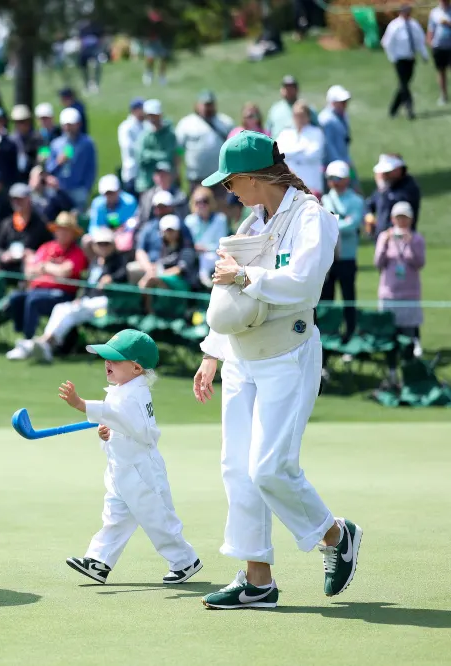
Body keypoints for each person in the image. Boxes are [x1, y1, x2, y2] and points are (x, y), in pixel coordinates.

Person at [193, 130, 361, 609]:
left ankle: (335, 535)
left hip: (288, 355)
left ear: (252, 177)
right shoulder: (250, 224)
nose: (228, 192)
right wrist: (212, 352)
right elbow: (232, 303)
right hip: (241, 359)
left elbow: (305, 285)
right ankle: (257, 581)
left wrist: (244, 276)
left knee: (269, 468)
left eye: (230, 183)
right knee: (237, 470)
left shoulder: (313, 217)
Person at [59, 330, 203, 585]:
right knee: (114, 516)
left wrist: (82, 405)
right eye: (106, 357)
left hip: (141, 471)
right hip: (122, 468)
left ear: (136, 368)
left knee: (156, 517)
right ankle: (99, 561)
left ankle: (184, 560)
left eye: (114, 359)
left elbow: (122, 417)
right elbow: (120, 422)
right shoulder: (121, 390)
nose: (107, 362)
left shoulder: (134, 394)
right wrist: (107, 433)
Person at [31, 226, 130, 363]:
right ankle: (48, 343)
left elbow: (123, 275)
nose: (103, 247)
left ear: (112, 245)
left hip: (106, 304)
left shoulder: (119, 260)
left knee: (71, 312)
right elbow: (87, 284)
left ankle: (46, 342)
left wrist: (111, 278)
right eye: (100, 244)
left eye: (106, 244)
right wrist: (80, 297)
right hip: (89, 301)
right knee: (62, 309)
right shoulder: (95, 262)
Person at [4, 213, 88, 360]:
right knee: (16, 297)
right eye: (60, 229)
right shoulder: (46, 247)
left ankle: (27, 343)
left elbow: (65, 272)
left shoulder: (77, 252)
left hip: (62, 294)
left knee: (33, 300)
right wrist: (51, 269)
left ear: (73, 234)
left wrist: (45, 267)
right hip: (37, 290)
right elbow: (30, 270)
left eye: (66, 230)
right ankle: (24, 336)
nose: (62, 232)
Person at [375, 201, 426, 365]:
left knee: (408, 332)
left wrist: (409, 244)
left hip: (409, 292)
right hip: (389, 292)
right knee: (389, 333)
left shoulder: (417, 239)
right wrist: (385, 243)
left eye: (405, 218)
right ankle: (391, 367)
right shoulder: (385, 236)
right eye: (399, 217)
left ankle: (408, 365)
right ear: (392, 219)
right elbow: (378, 262)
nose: (401, 221)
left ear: (410, 219)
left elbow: (419, 263)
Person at [321, 161, 364, 342]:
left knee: (348, 299)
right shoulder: (324, 200)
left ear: (347, 179)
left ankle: (350, 334)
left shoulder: (356, 201)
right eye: (331, 178)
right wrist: (340, 221)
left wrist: (333, 222)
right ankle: (327, 335)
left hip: (347, 257)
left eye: (338, 178)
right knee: (326, 299)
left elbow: (352, 224)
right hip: (328, 258)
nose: (334, 182)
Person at [0, 182, 52, 274]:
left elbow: (49, 247)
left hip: (30, 265)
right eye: (14, 199)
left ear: (28, 199)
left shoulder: (40, 223)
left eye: (20, 199)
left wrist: (32, 254)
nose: (16, 202)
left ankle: (29, 288)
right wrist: (3, 255)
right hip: (7, 263)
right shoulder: (6, 223)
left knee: (31, 262)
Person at [176, 90, 234, 192]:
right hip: (196, 178)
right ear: (197, 105)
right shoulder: (186, 124)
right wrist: (178, 170)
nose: (208, 107)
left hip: (220, 177)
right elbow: (179, 149)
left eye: (210, 104)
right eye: (205, 104)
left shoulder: (225, 122)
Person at [381, 4, 430, 120]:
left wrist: (424, 55)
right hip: (400, 59)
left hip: (411, 59)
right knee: (404, 84)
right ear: (401, 12)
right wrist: (392, 57)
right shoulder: (394, 26)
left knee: (405, 84)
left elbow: (420, 41)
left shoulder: (414, 25)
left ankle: (393, 109)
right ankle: (409, 108)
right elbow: (387, 42)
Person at [45, 108, 97, 209]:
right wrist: (58, 162)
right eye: (66, 125)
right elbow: (49, 169)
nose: (68, 128)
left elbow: (91, 168)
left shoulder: (87, 143)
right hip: (59, 190)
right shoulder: (56, 144)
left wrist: (86, 188)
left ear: (78, 124)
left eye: (71, 125)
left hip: (78, 190)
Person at [275, 101, 326, 197]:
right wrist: (301, 149)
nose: (299, 119)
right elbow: (278, 153)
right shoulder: (286, 133)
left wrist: (290, 154)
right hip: (289, 186)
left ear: (308, 116)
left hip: (311, 185)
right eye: (296, 115)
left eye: (302, 115)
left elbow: (313, 155)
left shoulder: (316, 132)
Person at [183, 186, 229, 287]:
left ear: (211, 202)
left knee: (206, 258)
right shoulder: (189, 220)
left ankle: (205, 281)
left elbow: (221, 244)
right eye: (198, 202)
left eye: (205, 201)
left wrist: (205, 248)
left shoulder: (220, 219)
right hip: (194, 255)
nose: (201, 205)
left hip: (213, 255)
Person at [365, 154, 421, 236]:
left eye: (388, 172)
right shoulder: (386, 186)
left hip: (403, 238)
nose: (384, 175)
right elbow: (369, 205)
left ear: (398, 169)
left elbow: (398, 204)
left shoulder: (409, 187)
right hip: (382, 238)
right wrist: (368, 216)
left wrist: (382, 187)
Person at [133, 99, 179, 196]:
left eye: (155, 115)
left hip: (167, 184)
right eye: (150, 116)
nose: (153, 118)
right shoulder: (144, 135)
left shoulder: (170, 135)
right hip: (147, 183)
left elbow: (170, 155)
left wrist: (149, 155)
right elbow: (140, 157)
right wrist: (159, 155)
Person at [318, 86, 353, 168]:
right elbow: (328, 146)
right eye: (342, 102)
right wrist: (340, 163)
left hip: (344, 159)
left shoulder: (343, 115)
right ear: (333, 103)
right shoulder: (326, 120)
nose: (345, 104)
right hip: (332, 165)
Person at [117, 98, 146, 195]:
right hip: (132, 172)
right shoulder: (126, 127)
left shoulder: (145, 125)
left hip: (144, 174)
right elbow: (128, 147)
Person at [428, 0, 451, 106]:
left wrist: (448, 23)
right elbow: (431, 29)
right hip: (438, 46)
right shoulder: (434, 12)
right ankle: (443, 95)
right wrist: (430, 42)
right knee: (441, 72)